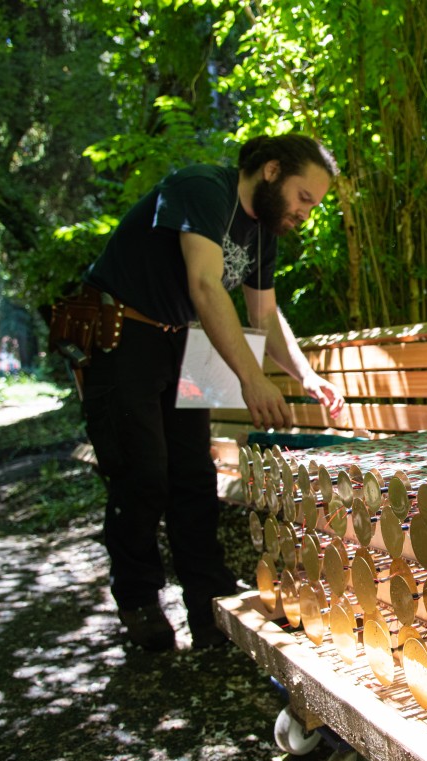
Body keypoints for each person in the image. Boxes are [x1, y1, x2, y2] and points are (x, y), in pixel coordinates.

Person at [81, 133, 346, 650]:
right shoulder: (203, 188)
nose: (304, 214)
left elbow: (264, 315)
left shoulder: (264, 231)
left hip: (182, 341)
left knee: (194, 477)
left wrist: (305, 376)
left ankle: (210, 606)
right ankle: (138, 603)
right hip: (125, 333)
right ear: (271, 171)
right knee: (142, 474)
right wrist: (251, 377)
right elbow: (205, 286)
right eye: (303, 198)